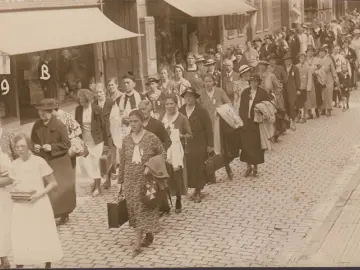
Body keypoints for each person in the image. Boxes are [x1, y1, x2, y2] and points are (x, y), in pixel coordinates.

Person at [10, 134, 63, 268]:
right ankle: (21, 262)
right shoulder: (14, 164)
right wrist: (15, 188)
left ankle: (47, 262)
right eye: (17, 147)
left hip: (39, 203)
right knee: (21, 234)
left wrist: (38, 195)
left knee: (42, 233)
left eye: (23, 146)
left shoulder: (39, 161)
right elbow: (13, 182)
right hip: (21, 204)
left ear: (28, 146)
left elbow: (53, 183)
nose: (20, 149)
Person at [118, 110, 166, 257]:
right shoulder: (126, 140)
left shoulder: (151, 138)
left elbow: (162, 154)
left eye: (136, 121)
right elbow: (123, 161)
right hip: (130, 181)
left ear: (142, 122)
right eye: (130, 121)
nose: (133, 124)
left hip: (146, 180)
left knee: (142, 207)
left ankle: (137, 245)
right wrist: (120, 182)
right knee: (134, 209)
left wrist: (149, 165)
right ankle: (149, 234)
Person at [31, 98, 74, 226]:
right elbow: (33, 140)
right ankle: (50, 214)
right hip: (44, 161)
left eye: (44, 112)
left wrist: (52, 147)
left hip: (59, 161)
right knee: (47, 189)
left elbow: (67, 143)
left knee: (60, 190)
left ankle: (64, 214)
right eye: (40, 112)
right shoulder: (37, 125)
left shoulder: (60, 125)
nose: (42, 114)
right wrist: (35, 146)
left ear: (50, 112)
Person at [179, 87, 213, 203]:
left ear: (195, 98)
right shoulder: (181, 111)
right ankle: (193, 188)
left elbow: (209, 128)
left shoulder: (201, 111)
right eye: (186, 96)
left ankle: (198, 191)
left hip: (199, 142)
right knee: (189, 166)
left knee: (198, 166)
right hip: (185, 143)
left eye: (191, 96)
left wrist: (210, 144)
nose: (188, 98)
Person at [198, 74, 235, 182]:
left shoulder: (219, 91)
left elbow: (229, 103)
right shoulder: (200, 94)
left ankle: (228, 169)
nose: (208, 84)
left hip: (219, 125)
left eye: (210, 81)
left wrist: (220, 110)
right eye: (206, 81)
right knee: (209, 151)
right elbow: (198, 109)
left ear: (214, 82)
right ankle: (211, 175)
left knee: (222, 149)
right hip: (207, 127)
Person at [159, 94, 192, 213]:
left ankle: (178, 198)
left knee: (177, 177)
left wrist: (181, 135)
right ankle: (166, 203)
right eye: (167, 104)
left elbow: (190, 134)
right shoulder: (161, 118)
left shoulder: (182, 118)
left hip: (177, 152)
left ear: (176, 104)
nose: (169, 106)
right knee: (164, 177)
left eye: (171, 103)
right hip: (164, 151)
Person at [139, 100, 171, 216]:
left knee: (157, 183)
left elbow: (167, 141)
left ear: (150, 109)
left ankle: (161, 206)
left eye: (144, 109)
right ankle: (151, 205)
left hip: (155, 159)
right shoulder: (138, 124)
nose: (142, 112)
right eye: (140, 109)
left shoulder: (157, 124)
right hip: (142, 159)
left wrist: (160, 154)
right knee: (146, 183)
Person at [75, 89, 108, 197]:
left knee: (95, 163)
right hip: (85, 140)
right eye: (80, 101)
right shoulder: (78, 110)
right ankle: (95, 181)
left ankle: (97, 186)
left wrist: (106, 144)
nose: (82, 103)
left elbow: (104, 127)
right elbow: (77, 125)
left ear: (88, 100)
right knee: (85, 164)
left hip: (97, 140)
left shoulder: (97, 109)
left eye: (84, 101)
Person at [239, 74, 269, 177]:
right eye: (252, 81)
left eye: (256, 81)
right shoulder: (245, 92)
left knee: (256, 145)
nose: (254, 83)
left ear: (259, 82)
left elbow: (267, 107)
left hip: (256, 122)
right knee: (246, 145)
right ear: (249, 82)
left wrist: (260, 110)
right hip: (246, 122)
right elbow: (241, 107)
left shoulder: (263, 93)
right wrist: (241, 120)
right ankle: (248, 167)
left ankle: (255, 167)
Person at [93, 83, 116, 189]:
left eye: (101, 91)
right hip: (98, 134)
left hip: (109, 133)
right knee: (98, 157)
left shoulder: (110, 102)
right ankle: (98, 180)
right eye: (97, 92)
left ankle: (108, 180)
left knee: (109, 156)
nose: (99, 94)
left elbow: (115, 118)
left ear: (105, 92)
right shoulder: (94, 104)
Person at [0, 121, 15, 269]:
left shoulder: (2, 157)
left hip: (2, 196)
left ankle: (3, 258)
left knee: (2, 226)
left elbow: (11, 176)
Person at [318, 46, 338, 117]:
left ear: (325, 53)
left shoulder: (329, 60)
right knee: (322, 95)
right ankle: (323, 108)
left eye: (323, 52)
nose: (321, 54)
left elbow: (333, 69)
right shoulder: (317, 60)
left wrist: (335, 77)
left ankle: (329, 109)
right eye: (320, 52)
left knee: (329, 94)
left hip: (329, 79)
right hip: (320, 80)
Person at [283, 53, 300, 130]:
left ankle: (293, 122)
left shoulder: (295, 68)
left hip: (292, 90)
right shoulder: (282, 68)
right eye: (286, 60)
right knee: (285, 105)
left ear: (291, 60)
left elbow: (298, 80)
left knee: (292, 105)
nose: (287, 61)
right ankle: (287, 122)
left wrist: (298, 89)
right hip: (284, 90)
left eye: (289, 59)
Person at [305, 45, 321, 119]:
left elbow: (320, 69)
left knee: (316, 95)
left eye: (312, 51)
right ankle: (309, 112)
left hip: (315, 79)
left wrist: (316, 71)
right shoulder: (304, 60)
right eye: (309, 51)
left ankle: (317, 110)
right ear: (306, 52)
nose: (310, 53)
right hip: (307, 79)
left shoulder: (316, 60)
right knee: (308, 95)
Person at [296, 53, 312, 123]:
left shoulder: (308, 67)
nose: (302, 59)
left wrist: (308, 87)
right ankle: (298, 115)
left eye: (303, 58)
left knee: (304, 102)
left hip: (304, 87)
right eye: (301, 58)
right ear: (299, 59)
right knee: (298, 101)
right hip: (298, 87)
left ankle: (304, 116)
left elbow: (309, 78)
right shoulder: (296, 66)